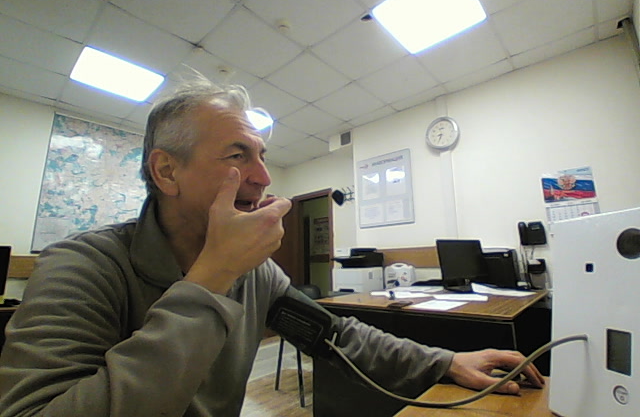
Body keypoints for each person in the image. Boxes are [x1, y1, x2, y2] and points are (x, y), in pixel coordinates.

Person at [0, 76, 544, 416]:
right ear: (167, 171)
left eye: (261, 156)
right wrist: (211, 278)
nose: (262, 178)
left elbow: (336, 336)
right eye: (238, 156)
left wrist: (445, 360)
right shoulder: (81, 266)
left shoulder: (256, 273)